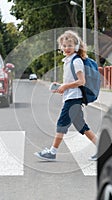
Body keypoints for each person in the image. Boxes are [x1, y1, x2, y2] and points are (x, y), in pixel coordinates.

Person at [34, 30, 97, 161]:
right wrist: (61, 85)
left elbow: (81, 81)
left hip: (74, 99)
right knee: (81, 126)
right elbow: (71, 81)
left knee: (61, 124)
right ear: (60, 47)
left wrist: (65, 87)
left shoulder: (76, 61)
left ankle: (52, 152)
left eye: (70, 45)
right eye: (64, 45)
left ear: (77, 46)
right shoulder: (68, 61)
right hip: (71, 97)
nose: (67, 48)